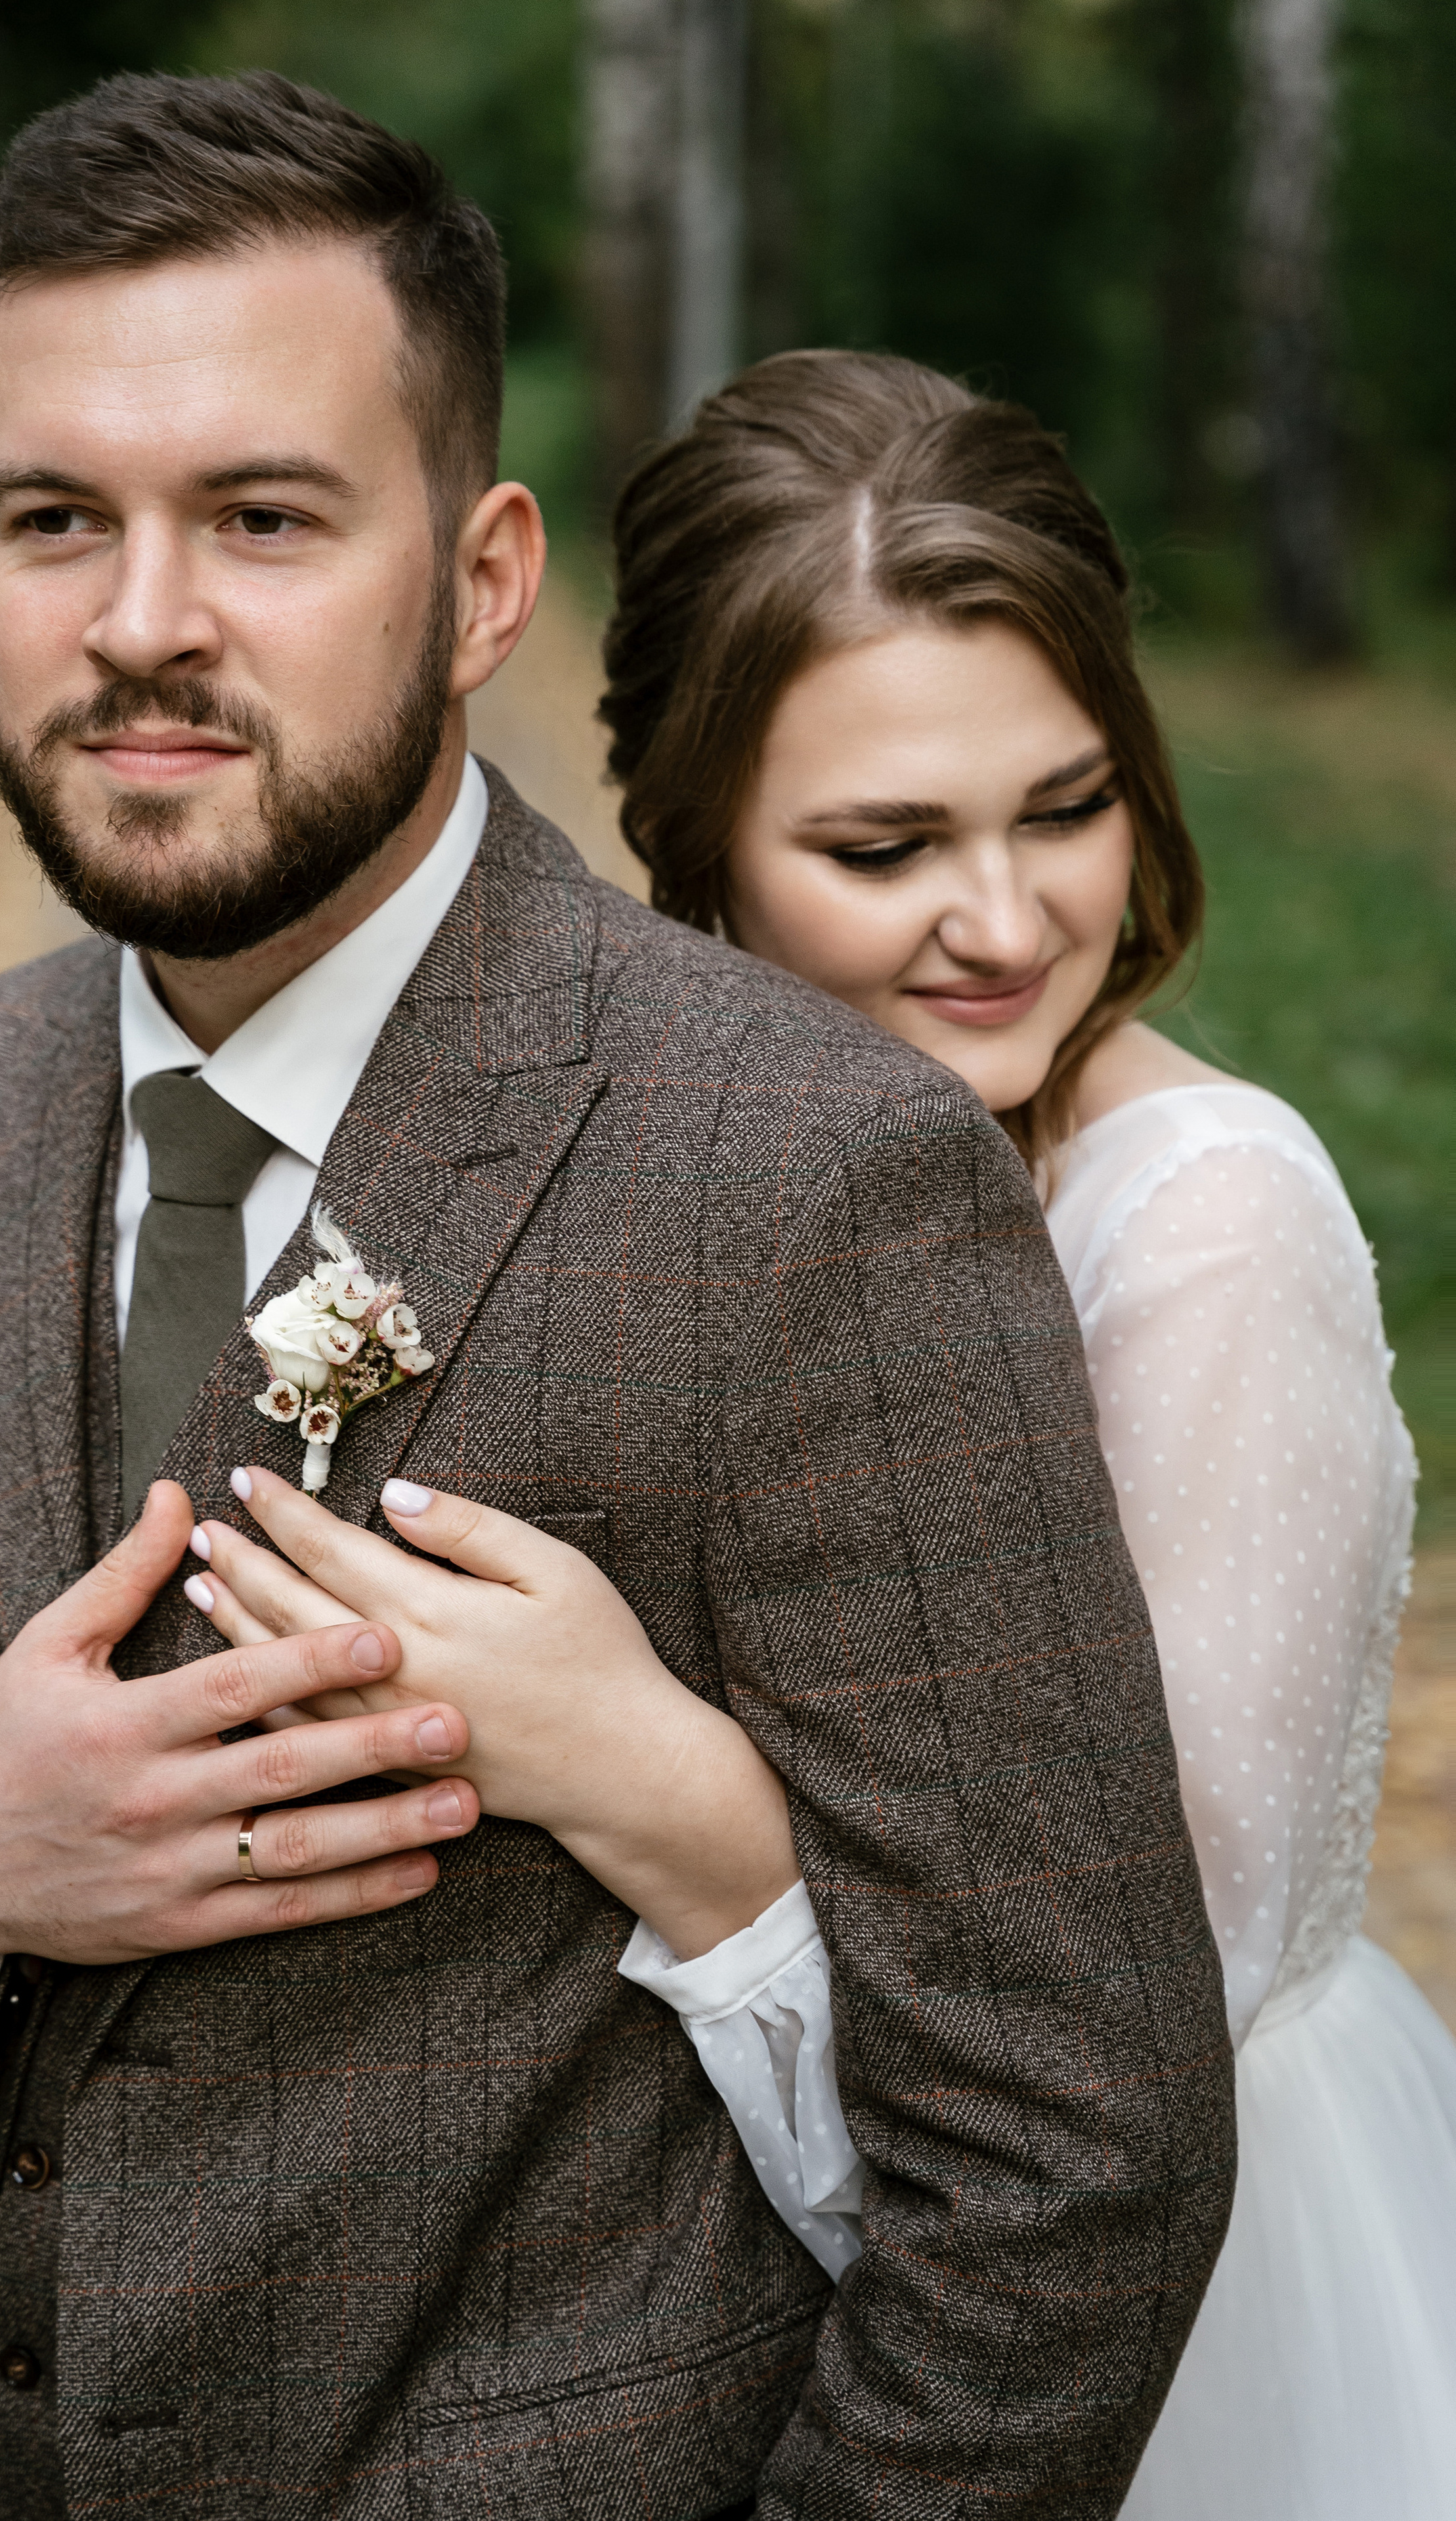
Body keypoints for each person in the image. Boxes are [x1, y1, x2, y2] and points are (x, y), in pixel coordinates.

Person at [0, 76, 1233, 2521]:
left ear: (478, 578)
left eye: (261, 515)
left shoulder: (818, 1179)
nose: (142, 622)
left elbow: (1079, 2173)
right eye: (59, 520)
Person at [171, 345, 1456, 2515]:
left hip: (1149, 2345)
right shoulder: (689, 1163)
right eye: (884, 846)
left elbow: (1131, 2063)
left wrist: (644, 1769)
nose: (1009, 918)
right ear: (697, 853)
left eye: (1068, 806)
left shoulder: (1206, 1232)